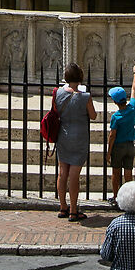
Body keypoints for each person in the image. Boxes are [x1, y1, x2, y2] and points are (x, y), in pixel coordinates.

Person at [47, 65, 95, 221]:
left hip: (64, 136)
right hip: (79, 137)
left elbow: (56, 111)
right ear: (80, 77)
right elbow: (93, 115)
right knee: (74, 175)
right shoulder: (85, 96)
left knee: (62, 173)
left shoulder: (58, 93)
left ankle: (63, 207)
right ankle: (74, 210)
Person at [105, 70, 135, 194]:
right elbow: (134, 90)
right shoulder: (132, 108)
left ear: (115, 102)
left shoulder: (116, 117)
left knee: (116, 172)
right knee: (128, 173)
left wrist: (108, 153)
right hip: (130, 145)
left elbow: (112, 135)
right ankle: (129, 197)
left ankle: (116, 197)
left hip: (118, 146)